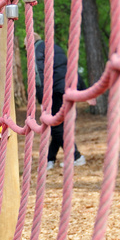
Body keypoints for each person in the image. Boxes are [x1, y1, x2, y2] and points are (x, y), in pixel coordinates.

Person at [33, 34, 86, 169]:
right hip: (68, 89)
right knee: (59, 126)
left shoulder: (37, 51)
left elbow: (38, 75)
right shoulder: (55, 48)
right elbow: (70, 66)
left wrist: (42, 99)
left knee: (56, 127)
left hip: (57, 91)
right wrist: (83, 89)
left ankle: (76, 156)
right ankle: (49, 159)